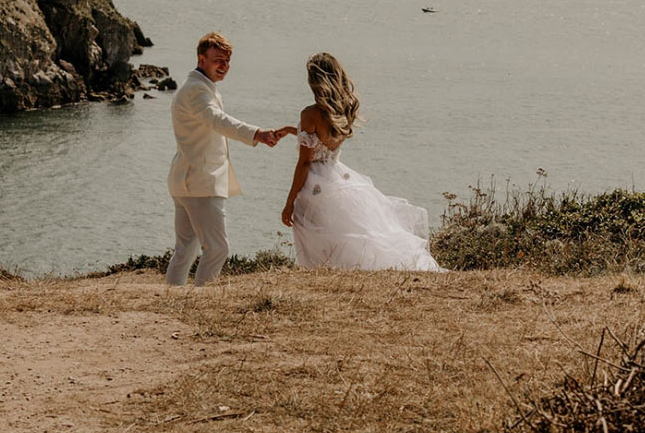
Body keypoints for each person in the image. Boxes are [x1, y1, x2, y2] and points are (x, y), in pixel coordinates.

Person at [278, 53, 443, 271]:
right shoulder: (345, 109)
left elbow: (306, 163)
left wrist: (289, 202)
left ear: (314, 80)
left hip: (315, 181)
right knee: (342, 232)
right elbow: (324, 140)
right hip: (336, 174)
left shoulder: (309, 114)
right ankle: (340, 270)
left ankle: (320, 271)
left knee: (311, 227)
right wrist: (291, 131)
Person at [166, 32, 285, 286]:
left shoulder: (198, 87)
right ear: (201, 59)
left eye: (228, 61)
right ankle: (203, 302)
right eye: (218, 60)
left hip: (185, 180)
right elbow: (217, 121)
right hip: (200, 183)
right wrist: (257, 134)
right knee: (217, 249)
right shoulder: (197, 90)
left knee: (185, 249)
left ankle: (171, 299)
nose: (224, 66)